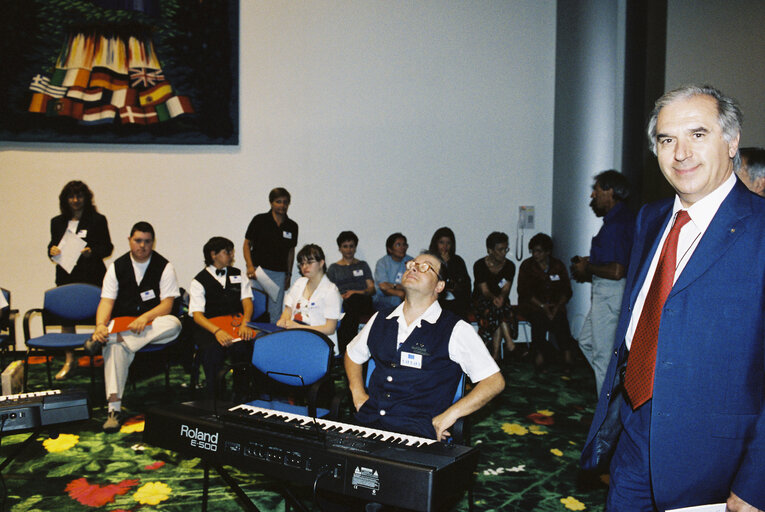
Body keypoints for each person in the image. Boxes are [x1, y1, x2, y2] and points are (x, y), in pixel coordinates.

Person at [581, 85, 765, 512]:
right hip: (634, 429)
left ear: (732, 141)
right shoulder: (652, 217)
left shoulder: (759, 230)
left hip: (716, 461)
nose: (681, 152)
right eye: (667, 139)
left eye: (698, 134)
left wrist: (755, 484)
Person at [345, 251, 505, 440]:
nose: (413, 267)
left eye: (424, 267)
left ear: (439, 286)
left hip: (415, 433)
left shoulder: (455, 329)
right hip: (368, 423)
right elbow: (351, 354)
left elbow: (494, 382)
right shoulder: (381, 318)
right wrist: (357, 393)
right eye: (412, 264)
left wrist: (450, 415)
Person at [85, 222, 181, 432]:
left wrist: (145, 317)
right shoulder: (116, 267)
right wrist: (100, 325)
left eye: (147, 241)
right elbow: (107, 301)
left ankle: (112, 337)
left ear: (152, 243)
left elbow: (167, 305)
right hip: (124, 323)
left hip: (153, 322)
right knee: (116, 349)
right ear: (129, 240)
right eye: (138, 240)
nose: (142, 246)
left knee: (174, 324)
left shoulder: (164, 266)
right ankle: (114, 410)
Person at [570, 170, 635, 395]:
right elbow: (616, 259)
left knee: (603, 356)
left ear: (610, 191)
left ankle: (606, 417)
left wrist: (586, 268)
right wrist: (590, 262)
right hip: (606, 293)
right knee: (586, 342)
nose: (592, 195)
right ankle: (614, 394)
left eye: (596, 189)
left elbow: (617, 271)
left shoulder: (617, 224)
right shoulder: (617, 220)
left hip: (610, 292)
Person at [48, 180, 113, 380]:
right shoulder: (57, 222)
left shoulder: (97, 220)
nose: (75, 201)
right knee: (66, 318)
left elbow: (107, 247)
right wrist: (51, 251)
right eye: (71, 197)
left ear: (86, 198)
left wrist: (91, 252)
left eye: (79, 196)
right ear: (65, 200)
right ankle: (70, 360)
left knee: (100, 317)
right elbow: (52, 246)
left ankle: (103, 357)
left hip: (91, 275)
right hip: (67, 276)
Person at [189, 237, 256, 398]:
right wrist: (217, 331)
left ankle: (242, 394)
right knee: (213, 351)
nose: (232, 255)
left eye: (232, 251)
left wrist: (245, 324)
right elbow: (197, 316)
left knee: (244, 347)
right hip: (210, 327)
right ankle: (216, 397)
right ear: (213, 254)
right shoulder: (198, 281)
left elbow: (247, 303)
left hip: (236, 324)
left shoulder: (238, 274)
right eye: (228, 251)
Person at [517, 233, 575, 373]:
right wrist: (543, 307)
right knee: (539, 320)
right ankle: (539, 359)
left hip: (555, 305)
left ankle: (567, 359)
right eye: (533, 251)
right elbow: (524, 291)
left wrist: (556, 307)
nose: (535, 254)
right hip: (533, 305)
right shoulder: (527, 266)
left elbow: (566, 290)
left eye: (539, 251)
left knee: (561, 320)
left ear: (548, 252)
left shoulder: (558, 266)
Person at [242, 187, 298, 324]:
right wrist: (250, 266)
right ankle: (251, 341)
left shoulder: (292, 226)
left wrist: (289, 274)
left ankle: (272, 341)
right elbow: (246, 245)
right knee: (254, 309)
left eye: (285, 202)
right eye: (278, 202)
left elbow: (291, 251)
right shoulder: (259, 220)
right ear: (271, 203)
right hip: (258, 272)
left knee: (275, 313)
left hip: (278, 274)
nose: (282, 205)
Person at [277, 244, 342, 355]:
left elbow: (330, 328)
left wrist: (299, 327)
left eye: (309, 262)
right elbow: (288, 310)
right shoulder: (299, 283)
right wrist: (283, 320)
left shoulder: (331, 291)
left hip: (320, 341)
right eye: (302, 263)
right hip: (296, 336)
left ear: (321, 263)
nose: (305, 267)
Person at [326, 231, 375, 353]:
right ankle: (351, 349)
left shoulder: (362, 265)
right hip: (343, 302)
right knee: (349, 310)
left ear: (355, 247)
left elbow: (372, 289)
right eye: (345, 246)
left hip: (363, 300)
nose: (349, 250)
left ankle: (345, 351)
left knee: (353, 302)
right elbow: (327, 291)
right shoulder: (334, 268)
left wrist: (355, 292)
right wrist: (341, 297)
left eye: (351, 246)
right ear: (340, 248)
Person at [472, 232, 517, 361]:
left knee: (498, 309)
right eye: (500, 249)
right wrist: (495, 298)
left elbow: (506, 288)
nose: (504, 253)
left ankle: (495, 355)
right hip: (482, 300)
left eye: (506, 249)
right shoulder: (479, 265)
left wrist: (502, 297)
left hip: (500, 301)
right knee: (496, 310)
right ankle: (509, 344)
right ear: (490, 250)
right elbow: (485, 291)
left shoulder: (509, 266)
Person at [429, 227, 471, 320]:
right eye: (441, 242)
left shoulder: (457, 261)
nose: (445, 246)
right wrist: (443, 264)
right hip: (437, 300)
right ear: (436, 243)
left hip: (456, 300)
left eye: (448, 243)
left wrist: (449, 264)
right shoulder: (430, 260)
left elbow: (465, 284)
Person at [373, 233, 413, 311]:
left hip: (407, 295)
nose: (402, 248)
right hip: (383, 298)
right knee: (396, 300)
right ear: (390, 249)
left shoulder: (411, 261)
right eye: (398, 245)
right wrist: (400, 293)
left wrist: (392, 285)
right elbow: (383, 287)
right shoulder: (382, 263)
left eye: (404, 245)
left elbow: (413, 285)